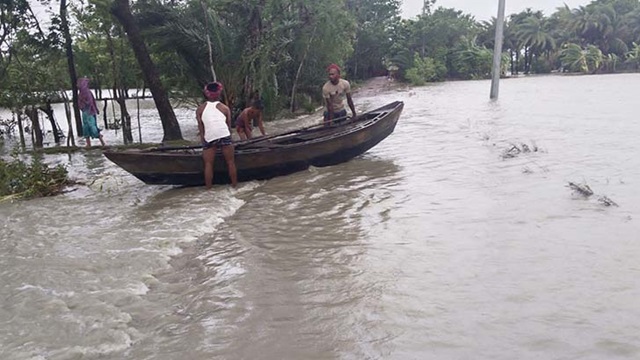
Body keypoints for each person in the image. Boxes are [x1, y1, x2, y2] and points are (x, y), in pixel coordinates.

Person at [196, 82, 238, 189]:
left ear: (206, 93)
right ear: (219, 94)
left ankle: (209, 189)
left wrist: (204, 143)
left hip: (209, 137)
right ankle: (234, 186)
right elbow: (228, 127)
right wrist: (230, 141)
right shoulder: (225, 108)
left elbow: (201, 129)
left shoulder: (200, 109)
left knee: (208, 164)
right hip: (224, 134)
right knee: (230, 162)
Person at [77, 77, 106, 147]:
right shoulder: (81, 93)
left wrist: (91, 107)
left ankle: (102, 143)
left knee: (92, 127)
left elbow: (90, 102)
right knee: (86, 127)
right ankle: (88, 144)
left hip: (89, 112)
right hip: (85, 112)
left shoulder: (87, 92)